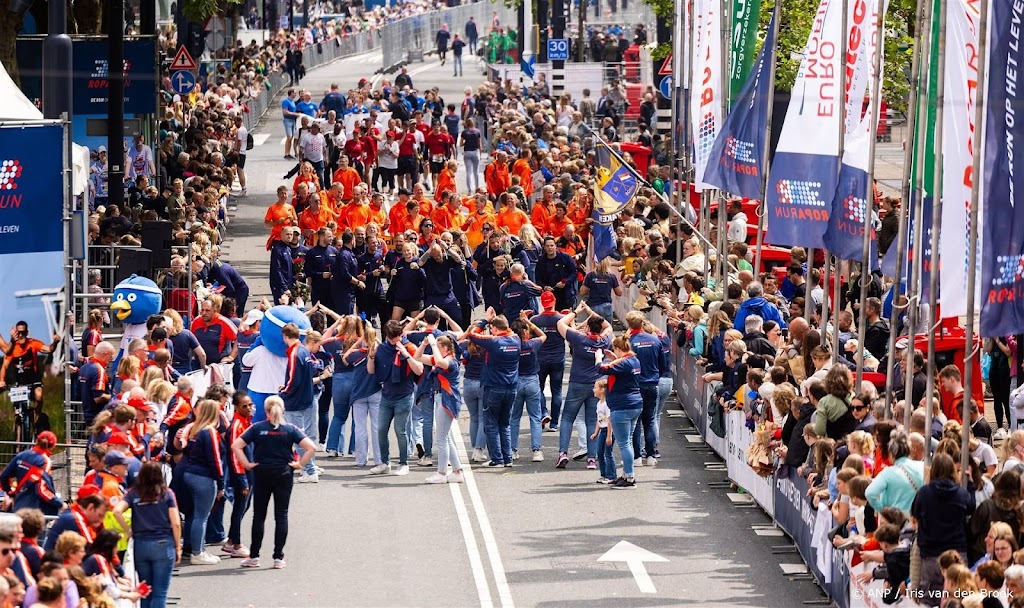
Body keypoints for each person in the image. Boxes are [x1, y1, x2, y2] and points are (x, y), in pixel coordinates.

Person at [232, 396, 318, 570]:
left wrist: (247, 464)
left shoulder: (257, 428)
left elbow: (236, 445)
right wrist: (300, 464)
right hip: (284, 474)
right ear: (283, 410)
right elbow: (311, 447)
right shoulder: (290, 429)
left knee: (259, 515)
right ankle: (278, 557)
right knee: (281, 515)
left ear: (265, 411)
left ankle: (254, 556)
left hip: (262, 473)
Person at [112, 461, 180, 608]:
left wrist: (127, 530)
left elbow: (117, 511)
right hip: (163, 544)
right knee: (160, 592)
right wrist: (177, 547)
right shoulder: (167, 494)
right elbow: (175, 523)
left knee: (145, 590)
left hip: (141, 544)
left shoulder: (133, 493)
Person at [912, 452, 975, 605]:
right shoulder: (961, 493)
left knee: (930, 597)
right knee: (958, 598)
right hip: (956, 553)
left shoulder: (924, 493)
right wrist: (970, 484)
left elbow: (915, 515)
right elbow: (971, 507)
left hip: (930, 554)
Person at [555, 303, 612, 469]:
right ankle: (592, 458)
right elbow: (607, 324)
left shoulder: (579, 338)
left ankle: (563, 453)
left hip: (577, 382)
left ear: (587, 327)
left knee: (567, 418)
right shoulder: (604, 340)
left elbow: (561, 324)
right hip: (597, 384)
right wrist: (590, 312)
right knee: (592, 420)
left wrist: (576, 312)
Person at [466, 311, 522, 467]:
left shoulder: (494, 341)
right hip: (511, 387)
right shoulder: (516, 340)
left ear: (495, 328)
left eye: (491, 328)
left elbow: (472, 334)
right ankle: (507, 458)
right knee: (505, 424)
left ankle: (497, 459)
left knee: (491, 424)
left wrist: (484, 320)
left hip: (494, 387)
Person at [369, 320, 425, 476]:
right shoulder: (382, 348)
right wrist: (371, 357)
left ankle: (403, 463)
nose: (396, 341)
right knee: (381, 430)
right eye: (392, 338)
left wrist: (406, 355)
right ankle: (385, 463)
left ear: (401, 334)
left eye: (398, 337)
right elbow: (371, 371)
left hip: (404, 396)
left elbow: (419, 370)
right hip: (386, 395)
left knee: (400, 431)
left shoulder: (409, 347)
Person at [175, 400, 225, 565]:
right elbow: (215, 459)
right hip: (203, 477)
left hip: (190, 474)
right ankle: (198, 552)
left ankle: (198, 549)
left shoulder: (194, 429)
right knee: (201, 516)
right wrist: (221, 481)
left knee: (196, 515)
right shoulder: (209, 431)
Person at [411, 334, 465, 483]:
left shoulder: (451, 361)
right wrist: (424, 344)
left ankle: (441, 473)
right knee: (446, 438)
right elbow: (417, 356)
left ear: (446, 348)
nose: (436, 349)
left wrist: (434, 344)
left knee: (441, 439)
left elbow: (441, 361)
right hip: (440, 397)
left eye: (440, 347)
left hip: (446, 399)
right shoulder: (441, 360)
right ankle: (456, 471)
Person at [597, 335, 643, 489]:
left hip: (622, 406)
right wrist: (614, 358)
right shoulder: (634, 360)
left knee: (624, 444)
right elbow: (620, 367)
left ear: (617, 348)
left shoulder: (625, 363)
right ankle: (626, 474)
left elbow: (602, 369)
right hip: (634, 404)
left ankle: (629, 477)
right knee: (627, 441)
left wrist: (598, 358)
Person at [278, 323, 320, 483]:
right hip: (306, 397)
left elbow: (294, 378)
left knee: (298, 438)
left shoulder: (295, 353)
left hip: (295, 401)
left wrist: (283, 391)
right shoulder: (304, 351)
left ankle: (309, 470)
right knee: (306, 436)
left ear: (285, 336)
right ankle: (311, 467)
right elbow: (302, 378)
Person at [510, 315, 546, 462]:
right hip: (531, 380)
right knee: (535, 418)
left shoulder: (512, 346)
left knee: (514, 418)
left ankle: (513, 450)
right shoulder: (532, 344)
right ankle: (536, 451)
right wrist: (529, 323)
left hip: (516, 381)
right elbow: (543, 335)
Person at [0, 432, 63, 515]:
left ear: (36, 441)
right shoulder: (45, 462)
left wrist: (10, 493)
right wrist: (59, 503)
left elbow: (4, 476)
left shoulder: (21, 455)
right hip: (36, 506)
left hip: (19, 502)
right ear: (53, 446)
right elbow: (42, 488)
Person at [224, 391, 255, 559]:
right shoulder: (237, 426)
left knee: (243, 507)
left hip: (248, 472)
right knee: (239, 508)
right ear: (236, 407)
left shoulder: (245, 422)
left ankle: (230, 541)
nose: (249, 408)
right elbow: (235, 455)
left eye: (250, 405)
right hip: (240, 474)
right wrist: (242, 481)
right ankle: (236, 544)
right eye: (245, 406)